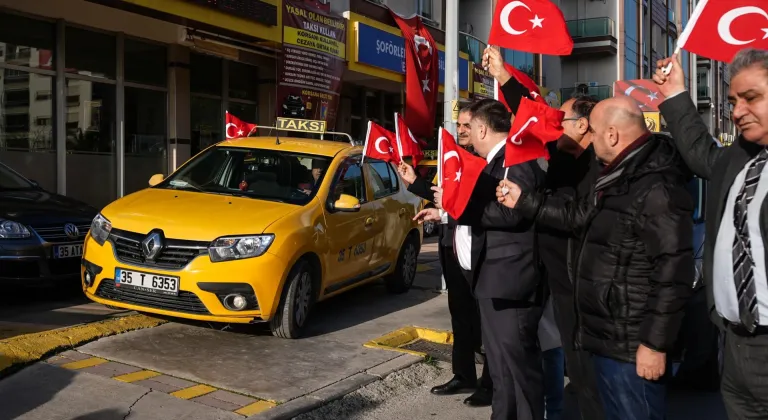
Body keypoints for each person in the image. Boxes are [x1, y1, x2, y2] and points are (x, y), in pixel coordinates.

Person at [497, 95, 694, 420]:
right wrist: (524, 201)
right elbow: (577, 215)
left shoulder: (656, 186)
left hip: (631, 346)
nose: (592, 142)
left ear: (613, 135)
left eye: (596, 134)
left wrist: (655, 344)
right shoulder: (614, 174)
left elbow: (673, 273)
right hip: (602, 335)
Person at [484, 45, 604, 420]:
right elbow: (533, 117)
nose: (555, 125)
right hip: (558, 285)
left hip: (585, 291)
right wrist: (503, 76)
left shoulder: (597, 168)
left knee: (591, 380)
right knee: (565, 364)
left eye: (562, 120)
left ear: (583, 126)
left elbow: (576, 217)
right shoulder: (565, 158)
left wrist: (526, 203)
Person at [653, 49, 768, 419]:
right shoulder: (740, 159)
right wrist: (675, 94)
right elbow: (702, 153)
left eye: (751, 98)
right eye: (734, 101)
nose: (736, 112)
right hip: (733, 344)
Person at [417, 98, 547, 420]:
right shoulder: (493, 161)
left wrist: (463, 209)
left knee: (518, 368)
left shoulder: (513, 161)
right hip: (492, 277)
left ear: (483, 128)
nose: (466, 134)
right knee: (502, 369)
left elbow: (512, 213)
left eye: (469, 127)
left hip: (510, 280)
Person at [398, 106, 493, 407]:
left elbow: (475, 206)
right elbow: (446, 195)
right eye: (459, 125)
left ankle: (490, 384)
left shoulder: (485, 162)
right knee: (461, 316)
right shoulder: (451, 157)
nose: (462, 130)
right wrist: (416, 184)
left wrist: (445, 211)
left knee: (487, 322)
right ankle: (463, 375)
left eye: (467, 125)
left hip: (480, 252)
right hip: (452, 248)